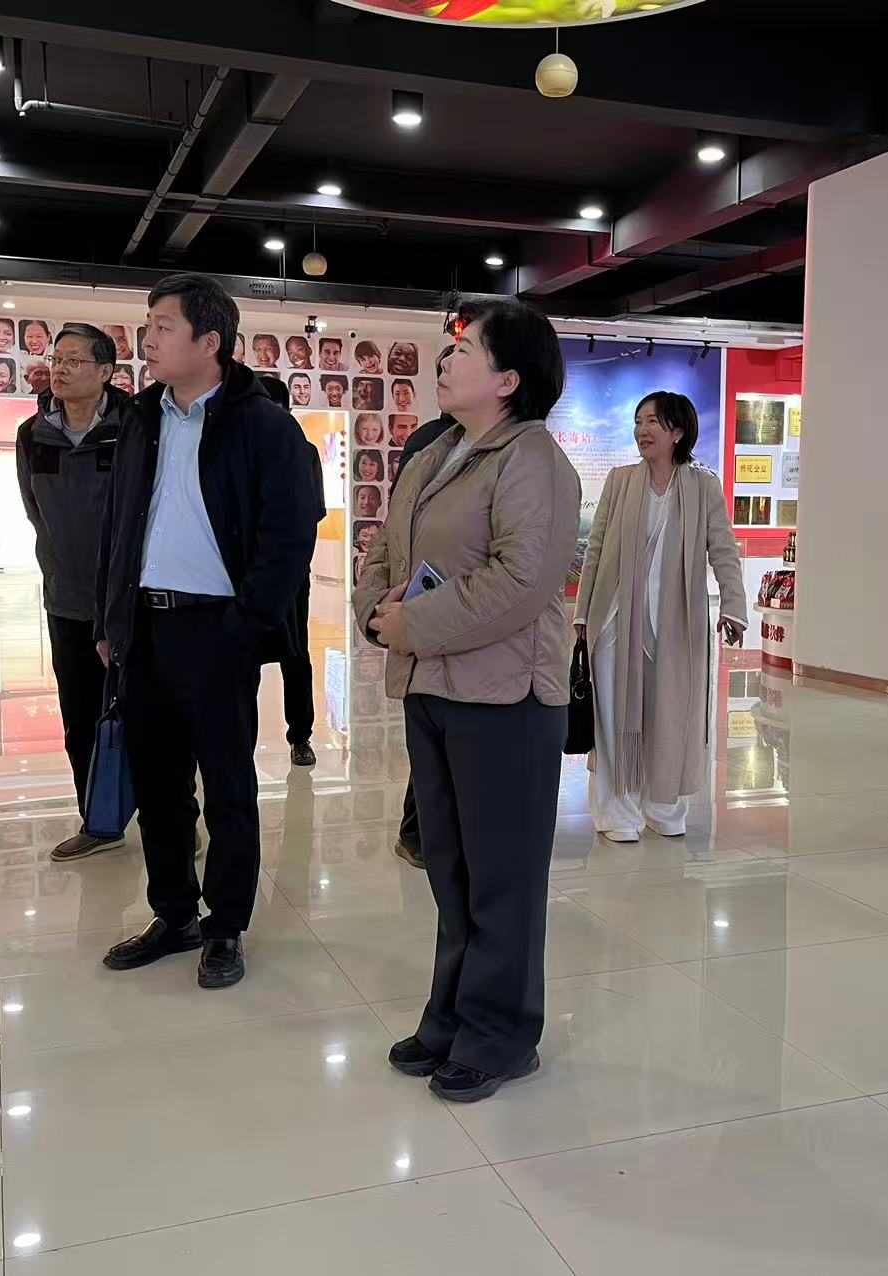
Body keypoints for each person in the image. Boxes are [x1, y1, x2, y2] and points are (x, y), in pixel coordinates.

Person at [354, 300, 579, 1103]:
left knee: (501, 878)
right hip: (433, 687)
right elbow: (385, 552)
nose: (445, 361)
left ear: (508, 380)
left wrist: (412, 624)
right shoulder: (437, 453)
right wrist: (375, 611)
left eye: (466, 351)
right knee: (451, 868)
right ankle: (452, 1015)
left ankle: (502, 1034)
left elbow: (522, 581)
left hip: (506, 698)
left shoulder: (534, 462)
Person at [94, 273, 319, 989]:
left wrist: (247, 624)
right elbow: (118, 525)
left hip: (217, 628)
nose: (148, 338)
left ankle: (225, 925)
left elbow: (290, 535)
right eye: (148, 324)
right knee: (158, 785)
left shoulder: (263, 425)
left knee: (226, 785)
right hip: (145, 628)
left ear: (209, 340)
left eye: (163, 326)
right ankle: (174, 914)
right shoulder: (141, 418)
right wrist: (110, 616)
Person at [574, 392, 747, 841]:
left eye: (653, 421)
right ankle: (616, 811)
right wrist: (583, 612)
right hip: (614, 619)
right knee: (612, 718)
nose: (642, 430)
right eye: (638, 421)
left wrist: (733, 605)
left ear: (678, 431)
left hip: (676, 623)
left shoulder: (702, 486)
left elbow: (723, 549)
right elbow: (596, 549)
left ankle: (662, 806)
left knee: (670, 714)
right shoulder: (620, 481)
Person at [19, 323, 132, 860]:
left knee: (150, 717)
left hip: (128, 601)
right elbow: (35, 511)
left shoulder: (133, 427)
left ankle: (175, 820)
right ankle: (99, 821)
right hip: (66, 599)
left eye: (73, 361)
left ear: (106, 371)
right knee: (80, 718)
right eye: (55, 359)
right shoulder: (32, 434)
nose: (59, 369)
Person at [385, 347, 457, 870]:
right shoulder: (429, 442)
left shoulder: (513, 446)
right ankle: (417, 831)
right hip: (429, 602)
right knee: (432, 727)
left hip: (469, 611)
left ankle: (432, 831)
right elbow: (400, 523)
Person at [257, 374, 328, 768]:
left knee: (295, 655)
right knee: (238, 660)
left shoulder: (304, 452)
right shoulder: (238, 449)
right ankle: (229, 738)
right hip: (244, 576)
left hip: (289, 575)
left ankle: (301, 736)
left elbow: (313, 511)